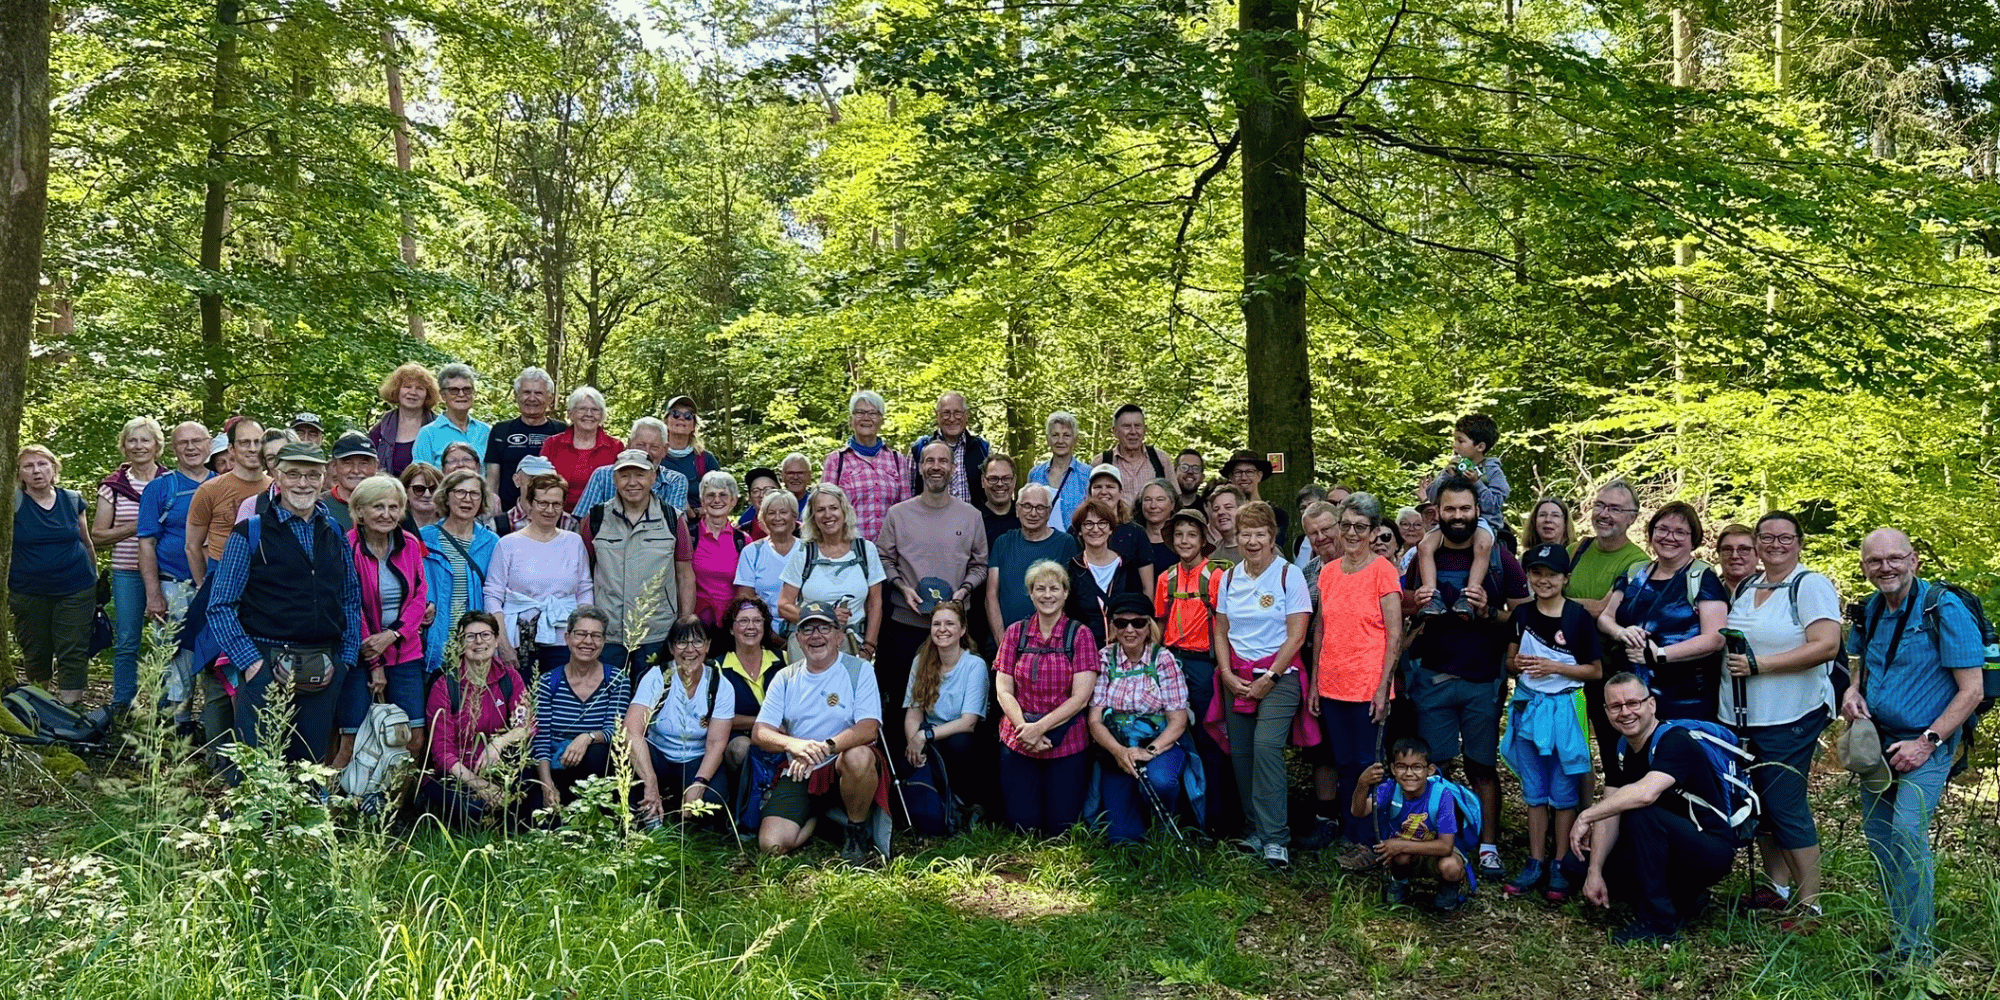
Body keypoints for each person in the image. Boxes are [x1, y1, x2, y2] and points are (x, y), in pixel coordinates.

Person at [1843, 528, 1986, 976]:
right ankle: (1901, 932)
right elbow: (1862, 664)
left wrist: (1926, 743)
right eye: (1875, 561)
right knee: (1880, 840)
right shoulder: (1871, 608)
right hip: (1880, 744)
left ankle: (1915, 955)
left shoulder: (1943, 608)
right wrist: (1851, 692)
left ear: (1914, 560)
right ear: (1864, 567)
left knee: (1906, 835)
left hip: (1928, 743)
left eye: (1894, 558)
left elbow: (1972, 690)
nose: (1885, 567)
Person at [1401, 477, 1529, 881]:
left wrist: (1489, 612)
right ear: (1437, 512)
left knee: (1482, 767)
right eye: (1450, 509)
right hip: (1432, 679)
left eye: (1465, 509)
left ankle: (1488, 846)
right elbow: (1401, 605)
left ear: (1478, 511)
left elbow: (1526, 615)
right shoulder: (1423, 555)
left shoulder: (1500, 559)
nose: (1458, 517)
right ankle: (1437, 841)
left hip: (1482, 680)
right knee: (1435, 766)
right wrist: (1418, 603)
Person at [206, 442, 363, 765]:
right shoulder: (250, 532)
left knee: (309, 768)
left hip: (324, 667)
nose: (302, 483)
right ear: (277, 476)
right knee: (258, 768)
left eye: (311, 475)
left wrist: (346, 659)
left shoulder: (335, 531)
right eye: (293, 474)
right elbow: (220, 605)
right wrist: (251, 664)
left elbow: (350, 597)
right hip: (266, 660)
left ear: (324, 478)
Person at [1721, 511, 1841, 928]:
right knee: (1761, 803)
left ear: (1799, 543)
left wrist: (1761, 665)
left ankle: (1811, 906)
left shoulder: (1810, 586)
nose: (1775, 545)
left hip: (1791, 715)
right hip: (1744, 717)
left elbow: (1826, 645)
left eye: (1785, 538)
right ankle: (1778, 887)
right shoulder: (1749, 585)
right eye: (1767, 537)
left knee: (1785, 805)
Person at [1571, 672, 1737, 944]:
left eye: (1633, 703)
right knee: (1575, 865)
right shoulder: (1621, 747)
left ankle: (1659, 922)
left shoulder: (1675, 741)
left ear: (1651, 705)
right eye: (1616, 706)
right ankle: (1683, 896)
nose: (1625, 712)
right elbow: (1611, 812)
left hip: (1708, 848)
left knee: (1642, 814)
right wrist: (1595, 871)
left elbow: (1646, 794)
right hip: (1661, 843)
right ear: (1606, 711)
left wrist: (1585, 816)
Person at [1301, 494, 1404, 868]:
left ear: (1375, 531)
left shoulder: (1382, 571)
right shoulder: (1328, 572)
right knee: (1344, 764)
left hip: (1367, 688)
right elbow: (1321, 629)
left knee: (1369, 767)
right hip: (1332, 686)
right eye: (1346, 525)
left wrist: (1382, 688)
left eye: (1361, 526)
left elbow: (1395, 634)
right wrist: (1315, 683)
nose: (1352, 533)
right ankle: (1352, 834)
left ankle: (1373, 842)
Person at [1211, 500, 1314, 867]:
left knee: (1267, 747)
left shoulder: (1289, 575)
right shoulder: (1229, 578)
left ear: (1273, 537)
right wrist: (1226, 673)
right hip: (1236, 675)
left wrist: (1270, 677)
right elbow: (1220, 629)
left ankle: (1276, 837)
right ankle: (1254, 827)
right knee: (1241, 753)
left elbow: (1297, 634)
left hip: (1279, 676)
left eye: (1259, 534)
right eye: (1245, 534)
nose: (1252, 542)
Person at [1499, 543, 1602, 901]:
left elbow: (1595, 670)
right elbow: (1510, 660)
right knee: (1534, 789)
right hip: (1529, 707)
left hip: (1566, 709)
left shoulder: (1577, 617)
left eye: (1552, 575)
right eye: (1537, 573)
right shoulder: (1522, 615)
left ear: (1565, 578)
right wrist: (1517, 665)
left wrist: (1554, 667)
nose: (1544, 581)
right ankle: (1535, 861)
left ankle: (1560, 862)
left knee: (1563, 790)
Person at [752, 600, 888, 864]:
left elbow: (869, 728)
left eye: (824, 628)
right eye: (808, 629)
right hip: (801, 768)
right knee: (771, 845)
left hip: (841, 764)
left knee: (859, 756)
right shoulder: (785, 677)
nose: (816, 636)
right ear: (798, 640)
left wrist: (825, 747)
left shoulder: (860, 670)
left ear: (839, 636)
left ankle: (856, 832)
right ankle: (817, 815)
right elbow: (760, 732)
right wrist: (794, 745)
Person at [876, 441, 989, 753]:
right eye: (929, 461)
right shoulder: (898, 514)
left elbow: (980, 564)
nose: (936, 466)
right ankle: (906, 774)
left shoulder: (970, 516)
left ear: (953, 468)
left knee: (956, 714)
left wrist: (964, 589)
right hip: (907, 625)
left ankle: (956, 779)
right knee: (904, 704)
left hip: (954, 627)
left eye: (943, 461)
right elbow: (883, 558)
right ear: (920, 467)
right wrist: (901, 586)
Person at [993, 559, 1100, 835]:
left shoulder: (1080, 635)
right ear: (1030, 593)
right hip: (1020, 738)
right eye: (1040, 589)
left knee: (1060, 828)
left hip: (1066, 740)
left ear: (1065, 593)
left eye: (1054, 588)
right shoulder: (1015, 633)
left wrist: (1040, 728)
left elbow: (1081, 698)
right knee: (1023, 826)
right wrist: (1024, 729)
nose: (1047, 595)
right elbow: (1003, 689)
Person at [1597, 501, 1729, 723]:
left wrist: (1658, 654)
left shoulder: (1701, 577)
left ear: (1693, 539)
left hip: (1684, 699)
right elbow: (1605, 618)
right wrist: (1621, 633)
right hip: (1631, 696)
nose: (1670, 537)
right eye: (1663, 529)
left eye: (1680, 532)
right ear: (1651, 533)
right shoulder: (1635, 572)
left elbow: (1715, 638)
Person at [1567, 481, 1652, 787]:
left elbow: (1604, 610)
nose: (1604, 514)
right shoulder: (1576, 550)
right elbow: (1545, 594)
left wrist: (1561, 602)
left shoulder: (1637, 562)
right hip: (1566, 670)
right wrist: (1583, 605)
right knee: (1570, 750)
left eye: (1615, 509)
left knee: (1612, 749)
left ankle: (1619, 809)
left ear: (1632, 518)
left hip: (1608, 671)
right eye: (1600, 505)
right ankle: (1576, 814)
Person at [1088, 592, 1190, 843]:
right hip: (1117, 747)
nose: (1130, 630)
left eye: (1138, 623)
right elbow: (1094, 720)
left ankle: (1163, 822)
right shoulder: (1104, 658)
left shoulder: (1163, 659)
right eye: (1122, 623)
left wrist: (1150, 752)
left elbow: (1178, 720)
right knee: (1122, 838)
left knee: (1160, 781)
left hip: (1159, 744)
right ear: (1114, 626)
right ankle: (1136, 819)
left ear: (1149, 626)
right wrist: (1119, 752)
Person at [577, 449, 691, 672]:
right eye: (624, 475)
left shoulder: (672, 519)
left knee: (654, 693)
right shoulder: (596, 518)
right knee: (609, 692)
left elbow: (685, 575)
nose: (632, 483)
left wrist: (684, 625)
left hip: (657, 632)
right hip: (608, 632)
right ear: (614, 479)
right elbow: (583, 575)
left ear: (653, 477)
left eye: (640, 475)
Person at [341, 475, 430, 762]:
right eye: (378, 507)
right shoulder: (347, 546)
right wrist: (375, 663)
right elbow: (351, 605)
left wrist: (393, 635)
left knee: (413, 738)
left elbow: (419, 596)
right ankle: (341, 791)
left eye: (394, 507)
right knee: (352, 741)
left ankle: (399, 792)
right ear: (360, 511)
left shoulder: (410, 543)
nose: (387, 514)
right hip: (360, 653)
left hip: (405, 650)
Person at [419, 611, 536, 827]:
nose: (479, 642)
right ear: (460, 643)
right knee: (475, 810)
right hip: (458, 774)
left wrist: (498, 743)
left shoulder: (510, 678)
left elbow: (525, 724)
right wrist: (481, 785)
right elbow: (442, 753)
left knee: (526, 802)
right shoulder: (445, 685)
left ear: (496, 640)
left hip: (498, 767)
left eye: (485, 635)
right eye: (470, 636)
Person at [1153, 506, 1230, 830]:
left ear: (1202, 540)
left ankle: (1215, 819)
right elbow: (1158, 624)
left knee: (1209, 738)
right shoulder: (1165, 578)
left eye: (1192, 535)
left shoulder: (1216, 576)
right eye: (1179, 535)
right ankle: (1181, 813)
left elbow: (1225, 625)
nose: (1185, 541)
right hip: (1172, 662)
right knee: (1174, 734)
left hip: (1204, 665)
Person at [11, 445, 100, 706]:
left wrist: (95, 578)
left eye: (42, 464)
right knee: (36, 650)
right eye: (28, 466)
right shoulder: (12, 503)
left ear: (54, 468)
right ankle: (41, 707)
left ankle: (71, 711)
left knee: (73, 649)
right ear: (19, 473)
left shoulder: (71, 500)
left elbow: (86, 541)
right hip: (28, 590)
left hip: (76, 587)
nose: (36, 471)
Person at [627, 618, 734, 827]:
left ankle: (686, 820)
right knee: (633, 770)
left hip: (696, 759)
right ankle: (649, 819)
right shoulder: (657, 677)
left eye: (698, 642)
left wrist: (699, 783)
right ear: (671, 647)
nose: (690, 650)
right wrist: (650, 780)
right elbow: (631, 731)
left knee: (711, 802)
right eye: (682, 642)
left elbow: (716, 744)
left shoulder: (720, 685)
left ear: (708, 646)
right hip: (658, 755)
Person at [92, 417, 167, 712]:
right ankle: (122, 705)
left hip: (167, 571)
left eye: (145, 440)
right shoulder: (113, 486)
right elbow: (98, 535)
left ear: (157, 445)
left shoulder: (170, 482)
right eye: (132, 440)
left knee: (166, 641)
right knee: (127, 641)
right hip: (127, 572)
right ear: (123, 446)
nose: (139, 446)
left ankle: (167, 708)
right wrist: (140, 525)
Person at [485, 472, 594, 674]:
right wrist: (503, 643)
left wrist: (582, 634)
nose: (550, 510)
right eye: (543, 503)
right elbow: (493, 596)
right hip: (519, 639)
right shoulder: (507, 544)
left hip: (565, 641)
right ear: (530, 504)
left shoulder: (574, 542)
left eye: (556, 504)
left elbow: (584, 590)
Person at [1353, 738, 1472, 909]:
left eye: (1417, 767)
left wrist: (1401, 844)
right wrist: (1362, 784)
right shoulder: (1390, 788)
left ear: (1430, 770)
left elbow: (1446, 847)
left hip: (1437, 853)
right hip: (1406, 856)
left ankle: (1450, 887)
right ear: (1393, 769)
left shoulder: (1441, 794)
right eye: (1402, 766)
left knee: (1451, 866)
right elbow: (1359, 811)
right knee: (1399, 857)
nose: (1409, 773)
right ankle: (1400, 881)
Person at [532, 606, 630, 806]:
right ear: (567, 638)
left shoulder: (616, 680)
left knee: (598, 753)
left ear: (603, 642)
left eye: (596, 635)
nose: (588, 641)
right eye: (581, 634)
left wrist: (587, 737)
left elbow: (615, 731)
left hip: (596, 769)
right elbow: (541, 737)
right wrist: (546, 785)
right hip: (555, 765)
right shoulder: (548, 681)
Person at [778, 483, 885, 660]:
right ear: (813, 516)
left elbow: (875, 603)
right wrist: (823, 616)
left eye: (833, 508)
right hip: (809, 646)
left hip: (853, 645)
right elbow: (783, 605)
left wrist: (868, 647)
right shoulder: (804, 553)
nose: (828, 515)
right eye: (820, 510)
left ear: (845, 511)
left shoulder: (866, 550)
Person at [1415, 416, 1509, 616]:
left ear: (1480, 446)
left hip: (1482, 522)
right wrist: (1445, 475)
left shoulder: (1492, 470)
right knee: (1424, 546)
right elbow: (1432, 496)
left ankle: (1469, 595)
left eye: (1461, 441)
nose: (1455, 445)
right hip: (1450, 522)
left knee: (1482, 545)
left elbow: (1495, 504)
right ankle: (1432, 597)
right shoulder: (1454, 467)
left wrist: (1477, 483)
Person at [902, 601, 987, 815]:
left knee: (959, 744)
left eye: (950, 624)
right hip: (930, 734)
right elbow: (913, 714)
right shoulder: (921, 661)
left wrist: (924, 736)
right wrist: (914, 744)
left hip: (961, 736)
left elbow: (968, 722)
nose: (942, 629)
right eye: (936, 624)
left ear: (962, 630)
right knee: (911, 755)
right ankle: (933, 806)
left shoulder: (974, 665)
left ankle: (964, 803)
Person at [136, 420, 211, 634]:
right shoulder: (159, 488)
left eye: (196, 441)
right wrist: (153, 595)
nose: (190, 447)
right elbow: (146, 544)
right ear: (173, 449)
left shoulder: (224, 484)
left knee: (216, 653)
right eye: (183, 443)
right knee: (170, 651)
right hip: (173, 585)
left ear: (209, 444)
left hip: (216, 586)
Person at [421, 469, 499, 673]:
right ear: (446, 497)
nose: (468, 499)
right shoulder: (423, 539)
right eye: (460, 492)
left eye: (474, 494)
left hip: (476, 641)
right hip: (435, 637)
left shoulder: (492, 542)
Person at [986, 483, 1081, 641]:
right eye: (1027, 506)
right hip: (1004, 639)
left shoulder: (1065, 543)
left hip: (1050, 643)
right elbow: (991, 595)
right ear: (1017, 509)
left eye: (1040, 508)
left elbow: (1068, 596)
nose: (1033, 513)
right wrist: (1003, 643)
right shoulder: (1002, 542)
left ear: (1049, 512)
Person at [186, 418, 270, 586]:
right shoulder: (209, 490)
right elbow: (192, 546)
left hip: (265, 573)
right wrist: (202, 586)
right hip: (221, 571)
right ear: (231, 449)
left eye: (258, 442)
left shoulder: (276, 488)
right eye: (245, 443)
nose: (253, 448)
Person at [823, 390, 909, 541]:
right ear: (851, 419)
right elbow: (824, 509)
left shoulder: (897, 460)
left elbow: (906, 511)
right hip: (850, 548)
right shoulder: (836, 461)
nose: (866, 418)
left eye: (873, 413)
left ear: (881, 420)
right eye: (860, 412)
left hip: (889, 550)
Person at [570, 417, 692, 519]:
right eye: (641, 445)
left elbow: (672, 525)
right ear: (628, 445)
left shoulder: (675, 481)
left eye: (654, 447)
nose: (646, 452)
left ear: (664, 450)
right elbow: (582, 520)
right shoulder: (603, 476)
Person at [716, 595, 784, 771]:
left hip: (781, 734)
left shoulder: (783, 660)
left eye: (757, 621)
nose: (751, 626)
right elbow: (714, 718)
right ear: (731, 629)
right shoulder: (717, 667)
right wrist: (763, 724)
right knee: (741, 749)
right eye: (743, 621)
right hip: (740, 738)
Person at [486, 367, 564, 513]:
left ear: (550, 398)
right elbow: (492, 481)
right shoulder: (500, 431)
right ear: (517, 396)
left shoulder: (561, 431)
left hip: (550, 513)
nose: (532, 398)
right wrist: (494, 515)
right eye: (526, 392)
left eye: (538, 393)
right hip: (508, 515)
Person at [1066, 499, 1144, 647]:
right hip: (1083, 651)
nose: (1095, 529)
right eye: (1088, 524)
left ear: (1111, 529)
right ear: (1080, 530)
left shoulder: (1127, 566)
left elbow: (1137, 611)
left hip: (1123, 651)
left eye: (1102, 523)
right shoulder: (1072, 569)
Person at [686, 471, 749, 636]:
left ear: (733, 501)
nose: (716, 500)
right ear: (702, 501)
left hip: (733, 624)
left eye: (723, 495)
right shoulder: (689, 537)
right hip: (698, 624)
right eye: (710, 495)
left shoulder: (743, 541)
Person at [538, 386, 620, 513]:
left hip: (601, 517)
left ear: (602, 415)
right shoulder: (552, 444)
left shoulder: (616, 447)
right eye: (582, 409)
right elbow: (539, 484)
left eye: (595, 410)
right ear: (571, 413)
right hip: (555, 514)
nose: (589, 414)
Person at [1080, 464, 1156, 597]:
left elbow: (1147, 587)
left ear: (1120, 492)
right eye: (1098, 487)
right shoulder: (1078, 530)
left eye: (1110, 487)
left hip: (1128, 607)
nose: (1104, 492)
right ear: (1090, 492)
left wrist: (1146, 609)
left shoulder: (1135, 533)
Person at [906, 391, 991, 507]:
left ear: (966, 416)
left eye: (957, 413)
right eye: (946, 413)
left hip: (972, 518)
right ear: (938, 416)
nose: (951, 419)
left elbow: (992, 491)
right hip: (929, 517)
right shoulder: (920, 448)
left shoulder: (982, 448)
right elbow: (908, 492)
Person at [735, 488, 801, 625]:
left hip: (805, 625)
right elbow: (746, 600)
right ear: (764, 518)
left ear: (794, 516)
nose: (777, 518)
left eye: (783, 512)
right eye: (771, 513)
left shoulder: (808, 550)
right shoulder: (752, 552)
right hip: (765, 628)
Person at [413, 363, 491, 468]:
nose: (461, 394)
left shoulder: (486, 431)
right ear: (443, 395)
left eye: (467, 389)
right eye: (454, 390)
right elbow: (421, 474)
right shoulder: (428, 434)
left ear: (473, 393)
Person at [369, 362, 438, 475]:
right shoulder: (379, 431)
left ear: (428, 394)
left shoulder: (439, 427)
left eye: (419, 388)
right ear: (397, 391)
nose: (413, 392)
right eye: (407, 387)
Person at [1099, 403, 1171, 507]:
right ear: (1115, 431)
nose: (1133, 432)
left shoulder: (1161, 460)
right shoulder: (1102, 462)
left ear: (1145, 429)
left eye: (1137, 426)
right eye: (1126, 426)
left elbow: (1175, 499)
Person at [1029, 411, 1090, 528]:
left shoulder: (1087, 474)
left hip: (1075, 538)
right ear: (1048, 439)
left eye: (1066, 435)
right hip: (1040, 538)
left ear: (1075, 440)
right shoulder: (1035, 474)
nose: (1060, 441)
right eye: (1055, 435)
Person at [1220, 450, 1290, 551]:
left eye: (1249, 472)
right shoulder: (1224, 515)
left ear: (1259, 475)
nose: (1244, 477)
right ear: (1230, 477)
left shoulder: (1277, 515)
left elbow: (1273, 549)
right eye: (1238, 472)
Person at [657, 394, 723, 491]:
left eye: (688, 415)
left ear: (694, 425)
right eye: (675, 414)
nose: (681, 418)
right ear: (666, 421)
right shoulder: (655, 456)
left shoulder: (705, 460)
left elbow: (719, 493)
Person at [318, 432, 379, 531]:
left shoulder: (390, 505)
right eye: (347, 463)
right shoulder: (319, 506)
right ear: (334, 466)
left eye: (364, 463)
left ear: (376, 466)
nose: (356, 470)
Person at [498, 455, 567, 535]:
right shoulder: (500, 524)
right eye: (533, 479)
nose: (539, 484)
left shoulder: (567, 523)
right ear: (517, 480)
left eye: (546, 480)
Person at [1134, 478, 1178, 575]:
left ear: (1172, 504)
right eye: (1148, 500)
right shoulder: (1132, 538)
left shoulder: (1181, 540)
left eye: (1160, 500)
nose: (1153, 506)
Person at [737, 467, 780, 541]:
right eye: (756, 491)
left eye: (768, 489)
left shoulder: (797, 529)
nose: (762, 495)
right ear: (750, 498)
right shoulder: (741, 534)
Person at [397, 461, 444, 531]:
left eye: (433, 489)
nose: (427, 495)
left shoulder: (452, 524)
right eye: (419, 489)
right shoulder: (395, 526)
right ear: (405, 491)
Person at [1714, 523, 1757, 594]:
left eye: (1743, 549)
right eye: (1727, 549)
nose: (1734, 556)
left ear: (1758, 554)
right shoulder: (1705, 594)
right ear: (1719, 554)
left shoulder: (1773, 594)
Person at [1290, 483, 1328, 565]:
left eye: (1312, 505)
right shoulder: (1298, 543)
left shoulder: (1335, 538)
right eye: (1303, 507)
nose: (1307, 511)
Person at [1206, 485, 1243, 565]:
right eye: (1216, 509)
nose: (1221, 512)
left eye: (1228, 507)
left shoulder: (1256, 547)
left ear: (1241, 510)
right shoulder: (1211, 552)